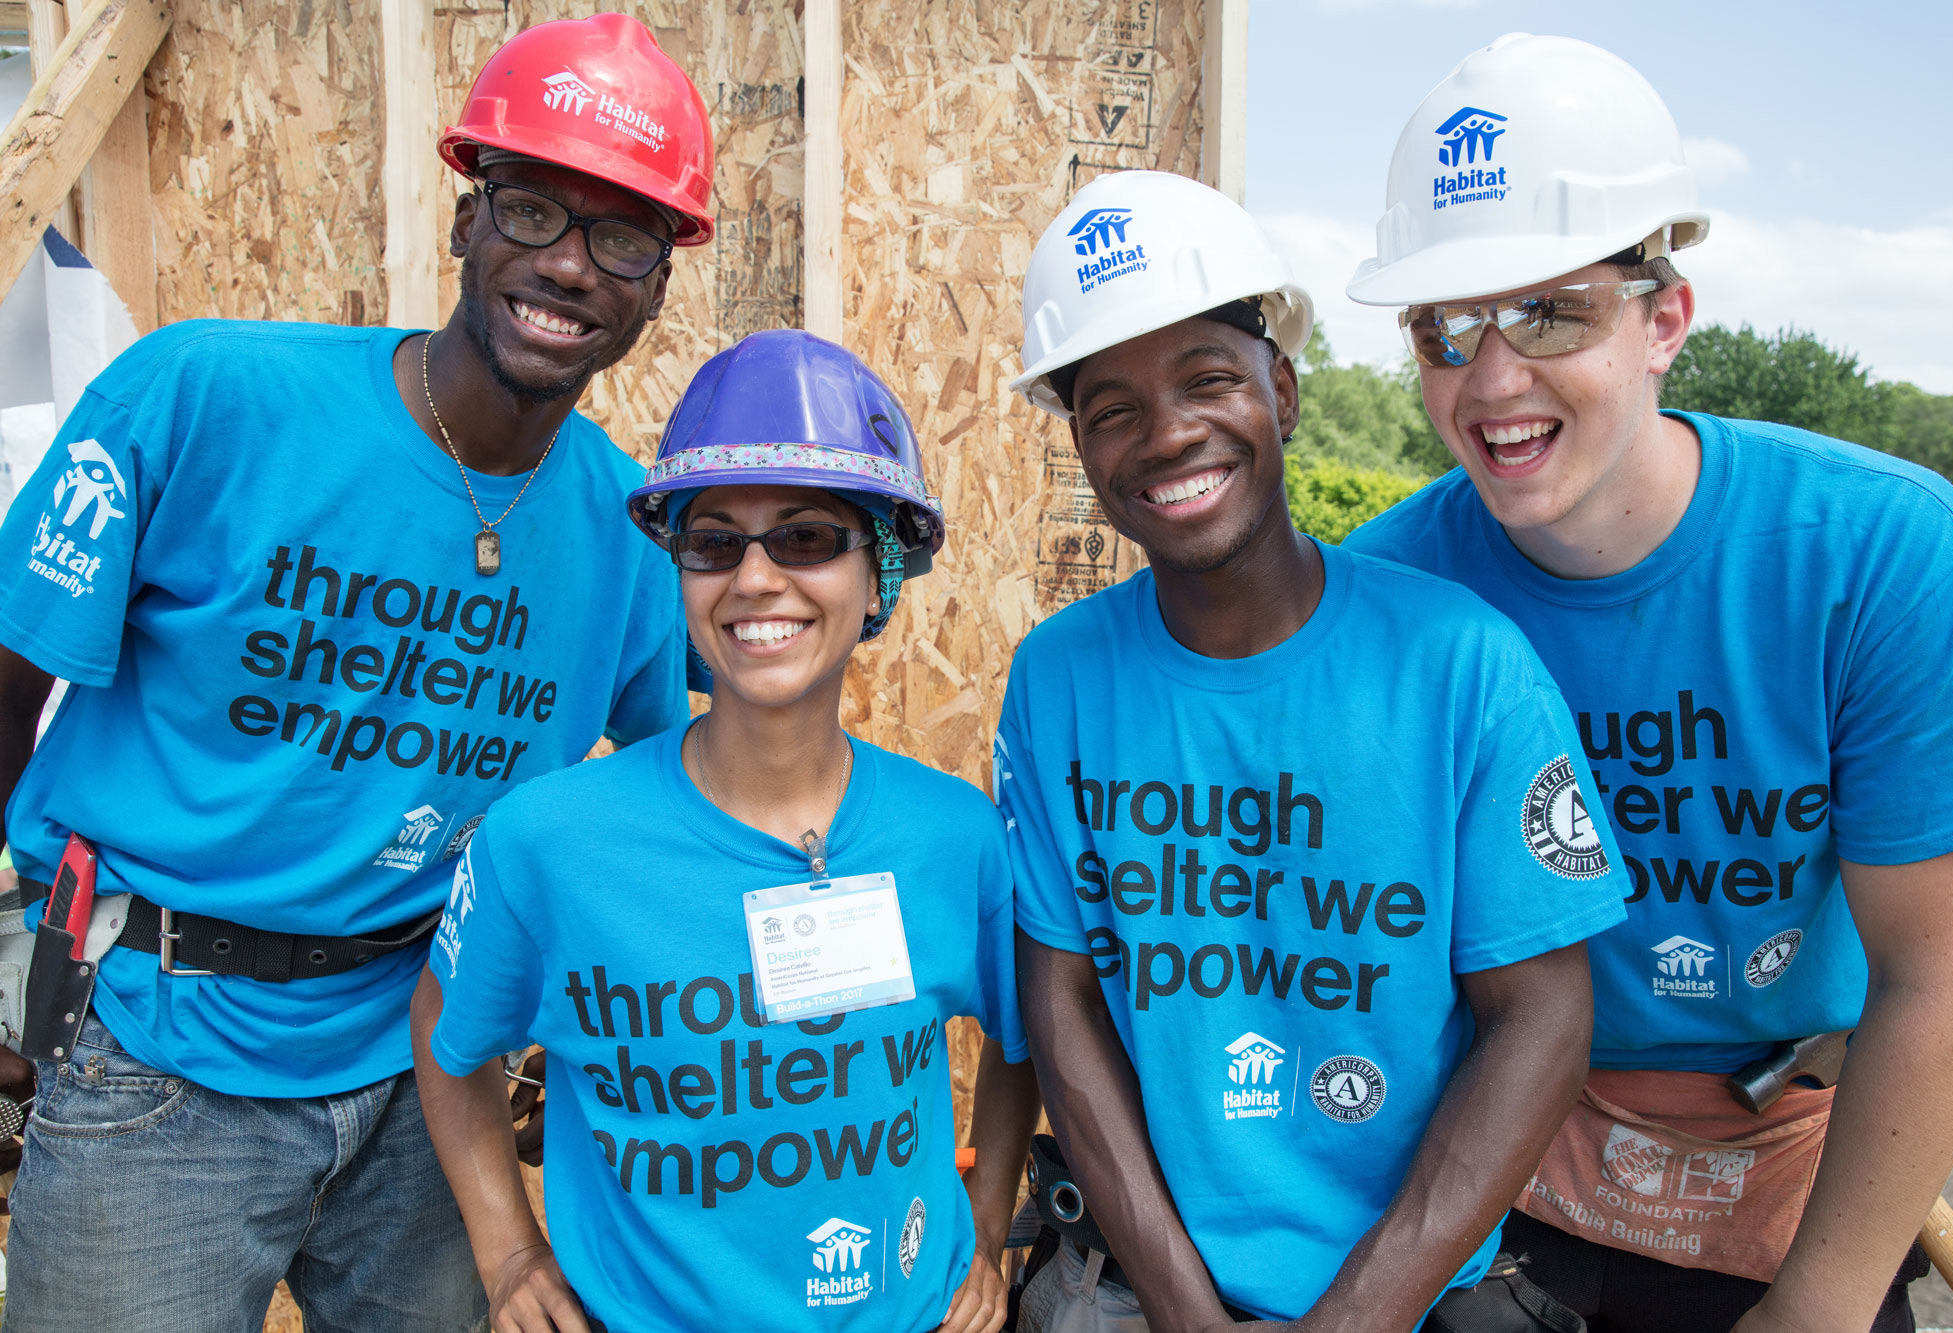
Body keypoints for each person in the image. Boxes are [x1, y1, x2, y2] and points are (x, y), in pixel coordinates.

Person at [0, 14, 715, 1329]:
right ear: (466, 219)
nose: (568, 265)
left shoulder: (628, 533)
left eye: (621, 237)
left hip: (429, 1078)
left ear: (660, 284)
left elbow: (697, 781)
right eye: (533, 210)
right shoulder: (204, 400)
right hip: (160, 1052)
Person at [1343, 34, 1953, 1333]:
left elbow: (1947, 969)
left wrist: (1817, 1305)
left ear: (1666, 320)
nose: (1493, 378)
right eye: (1448, 328)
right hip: (1503, 1163)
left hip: (1791, 1163)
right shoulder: (1391, 590)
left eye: (1552, 311)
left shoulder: (1874, 557)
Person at [995, 168, 1631, 1333]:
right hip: (1139, 1284)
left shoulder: (1458, 665)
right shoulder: (1058, 678)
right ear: (1082, 448)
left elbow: (1540, 1015)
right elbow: (1061, 999)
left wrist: (1357, 1316)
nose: (1168, 432)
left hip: (1413, 1292)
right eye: (1113, 407)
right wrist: (1187, 1314)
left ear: (1280, 392)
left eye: (1206, 380)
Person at [411, 328, 1039, 1333]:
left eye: (803, 537)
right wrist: (508, 1248)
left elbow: (1021, 1037)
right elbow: (447, 1038)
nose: (753, 578)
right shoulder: (548, 841)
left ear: (878, 577)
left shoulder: (953, 838)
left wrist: (985, 1206)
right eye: (713, 542)